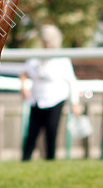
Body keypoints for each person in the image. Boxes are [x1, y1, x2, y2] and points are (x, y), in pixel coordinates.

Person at [20, 25, 83, 161]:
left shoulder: (62, 60)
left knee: (51, 131)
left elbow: (72, 81)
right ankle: (25, 159)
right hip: (36, 99)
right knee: (32, 132)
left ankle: (50, 159)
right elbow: (24, 73)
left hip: (55, 99)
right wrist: (24, 87)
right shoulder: (36, 58)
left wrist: (75, 103)